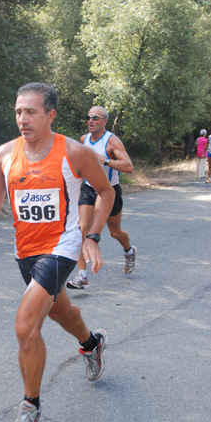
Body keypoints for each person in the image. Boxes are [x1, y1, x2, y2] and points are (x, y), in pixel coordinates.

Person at [0, 83, 115, 422]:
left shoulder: (74, 153)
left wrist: (92, 236)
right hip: (26, 252)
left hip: (62, 247)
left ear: (50, 115)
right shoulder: (3, 155)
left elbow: (105, 191)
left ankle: (30, 410)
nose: (22, 118)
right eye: (18, 111)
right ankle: (92, 343)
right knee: (62, 312)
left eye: (31, 112)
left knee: (25, 326)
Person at [67, 106, 136, 290]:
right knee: (81, 229)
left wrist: (104, 160)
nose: (90, 120)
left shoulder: (112, 141)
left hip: (109, 191)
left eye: (95, 118)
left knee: (115, 233)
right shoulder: (84, 139)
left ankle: (129, 251)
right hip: (89, 189)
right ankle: (82, 275)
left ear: (104, 121)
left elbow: (128, 167)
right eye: (88, 117)